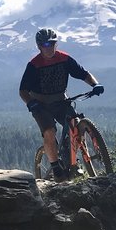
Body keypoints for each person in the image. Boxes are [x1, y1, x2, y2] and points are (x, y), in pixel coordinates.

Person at [19, 28, 104, 183]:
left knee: (75, 123)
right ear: (39, 46)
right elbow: (23, 90)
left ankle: (74, 161)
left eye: (52, 43)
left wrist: (95, 84)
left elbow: (83, 73)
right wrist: (31, 103)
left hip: (60, 100)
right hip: (41, 104)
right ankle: (56, 168)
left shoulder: (64, 59)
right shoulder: (34, 64)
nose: (49, 47)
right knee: (49, 131)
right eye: (45, 44)